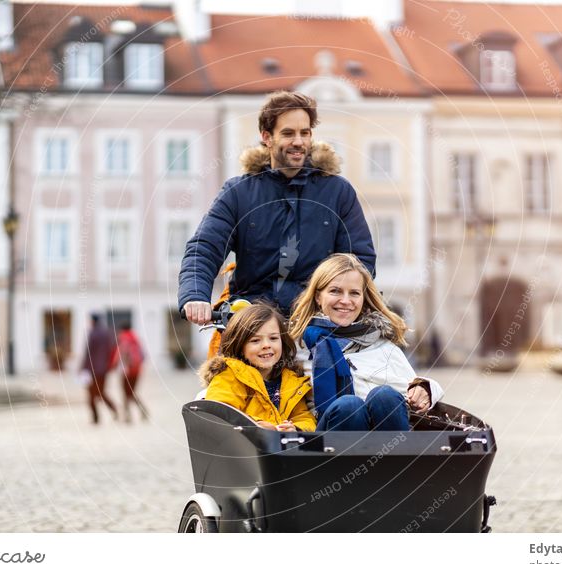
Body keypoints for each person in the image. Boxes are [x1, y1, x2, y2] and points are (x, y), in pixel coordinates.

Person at [179, 91, 376, 324]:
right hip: (252, 320)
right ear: (266, 137)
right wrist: (195, 294)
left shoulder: (338, 191)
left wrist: (339, 300)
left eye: (305, 133)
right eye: (288, 133)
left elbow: (359, 259)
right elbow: (204, 248)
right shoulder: (238, 193)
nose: (298, 142)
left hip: (316, 321)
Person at [289, 254, 444, 431]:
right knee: (348, 405)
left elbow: (414, 390)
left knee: (384, 395)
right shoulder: (296, 348)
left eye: (354, 293)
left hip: (385, 440)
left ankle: (395, 457)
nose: (345, 301)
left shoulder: (384, 347)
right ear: (318, 297)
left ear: (363, 299)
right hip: (325, 444)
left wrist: (425, 389)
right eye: (335, 291)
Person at [200, 303, 316, 432]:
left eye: (273, 338)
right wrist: (255, 424)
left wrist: (296, 428)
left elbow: (304, 417)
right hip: (244, 446)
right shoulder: (230, 375)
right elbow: (221, 412)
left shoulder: (292, 381)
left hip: (282, 448)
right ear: (240, 346)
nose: (266, 345)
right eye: (255, 340)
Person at [81, 313, 119, 424]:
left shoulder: (93, 333)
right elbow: (112, 349)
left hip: (93, 369)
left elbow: (88, 353)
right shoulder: (107, 333)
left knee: (91, 394)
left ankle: (96, 417)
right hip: (104, 369)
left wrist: (83, 367)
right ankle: (114, 409)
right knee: (101, 392)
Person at [110, 321, 149, 423]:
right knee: (132, 393)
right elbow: (143, 356)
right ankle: (143, 411)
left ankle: (128, 416)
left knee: (125, 393)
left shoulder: (123, 339)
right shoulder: (135, 338)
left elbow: (118, 354)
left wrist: (112, 366)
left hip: (126, 371)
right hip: (137, 370)